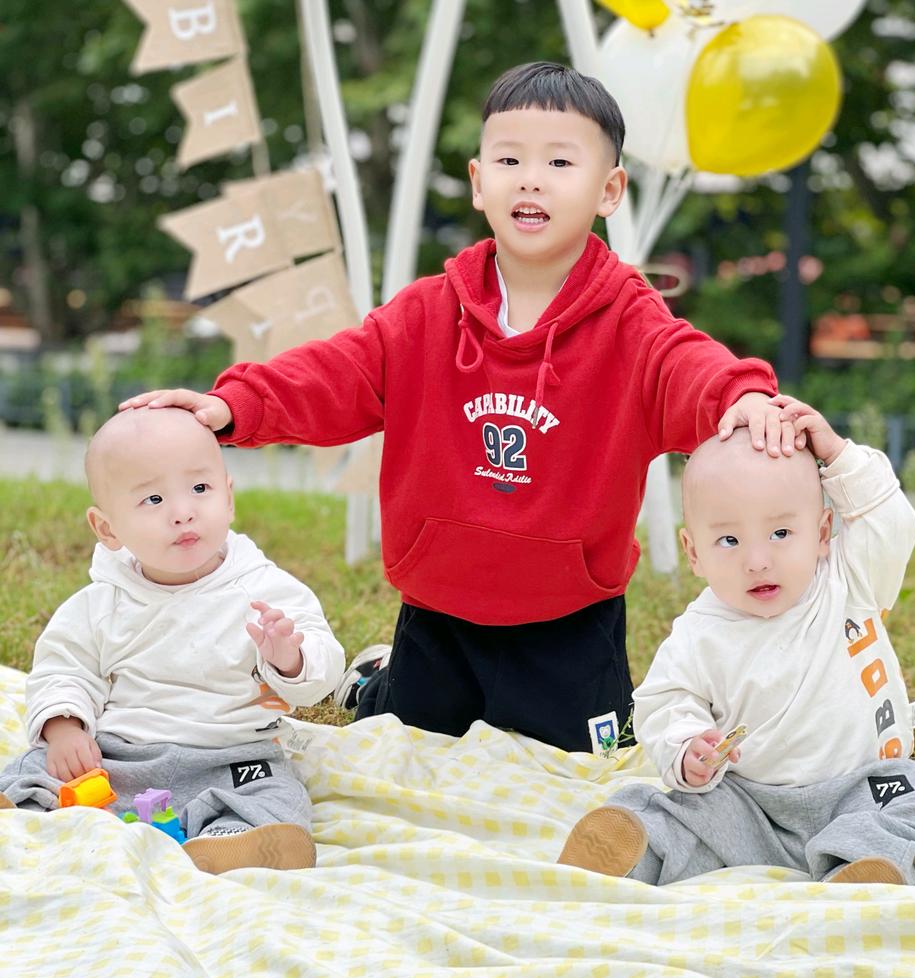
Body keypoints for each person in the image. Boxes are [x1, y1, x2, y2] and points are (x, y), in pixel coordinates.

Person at [120, 61, 803, 753]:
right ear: (479, 183)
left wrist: (741, 395)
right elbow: (337, 371)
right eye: (510, 159)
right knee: (405, 738)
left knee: (591, 761)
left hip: (569, 616)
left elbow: (687, 364)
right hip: (438, 607)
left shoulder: (628, 319)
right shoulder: (427, 311)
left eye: (560, 161)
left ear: (609, 190)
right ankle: (375, 682)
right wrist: (235, 404)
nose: (530, 178)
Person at [557, 398, 915, 887]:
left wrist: (837, 457)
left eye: (781, 533)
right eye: (729, 541)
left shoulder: (851, 579)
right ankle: (629, 848)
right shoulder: (698, 633)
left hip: (859, 787)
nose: (756, 560)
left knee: (909, 803)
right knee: (675, 814)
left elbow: (892, 522)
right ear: (693, 552)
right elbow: (665, 702)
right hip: (746, 803)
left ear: (822, 532)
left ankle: (865, 872)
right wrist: (686, 747)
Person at [0, 408, 345, 874]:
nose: (183, 511)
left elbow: (321, 674)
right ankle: (27, 818)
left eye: (200, 489)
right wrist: (65, 729)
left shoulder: (264, 590)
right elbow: (65, 667)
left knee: (275, 792)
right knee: (36, 768)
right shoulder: (102, 602)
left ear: (229, 496)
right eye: (154, 499)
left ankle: (230, 841)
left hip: (232, 757)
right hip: (117, 756)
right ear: (107, 528)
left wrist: (290, 658)